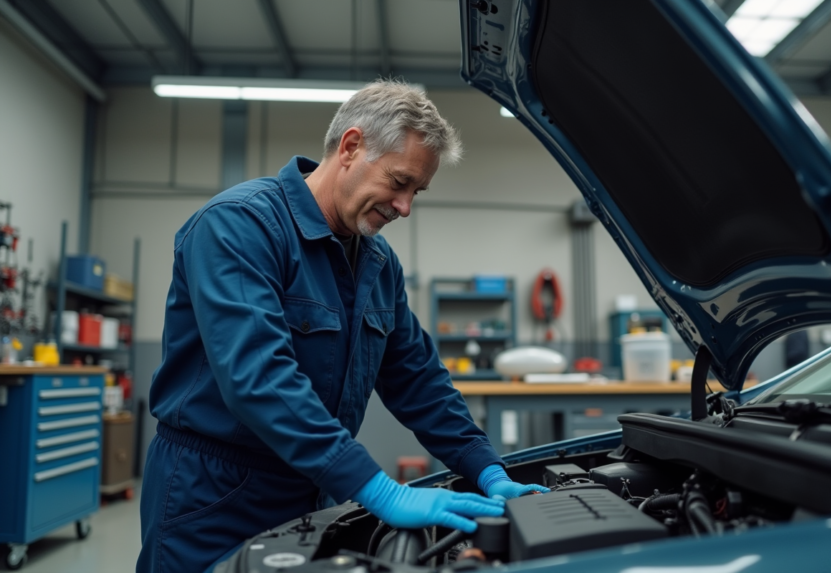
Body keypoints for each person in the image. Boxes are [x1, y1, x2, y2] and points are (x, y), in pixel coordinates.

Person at [137, 80, 548, 573]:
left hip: (314, 492)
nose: (405, 207)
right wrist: (378, 488)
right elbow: (258, 378)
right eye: (399, 182)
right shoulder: (240, 226)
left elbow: (419, 380)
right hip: (215, 497)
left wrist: (487, 469)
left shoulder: (377, 263)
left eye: (416, 192)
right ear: (351, 147)